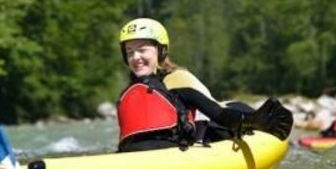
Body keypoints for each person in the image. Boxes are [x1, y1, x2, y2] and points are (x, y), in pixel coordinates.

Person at [116, 18, 293, 152]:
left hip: (193, 138)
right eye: (130, 52)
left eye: (142, 49)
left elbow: (215, 112)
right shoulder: (129, 93)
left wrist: (253, 120)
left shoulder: (176, 79)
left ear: (160, 51)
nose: (135, 57)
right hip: (142, 151)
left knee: (236, 106)